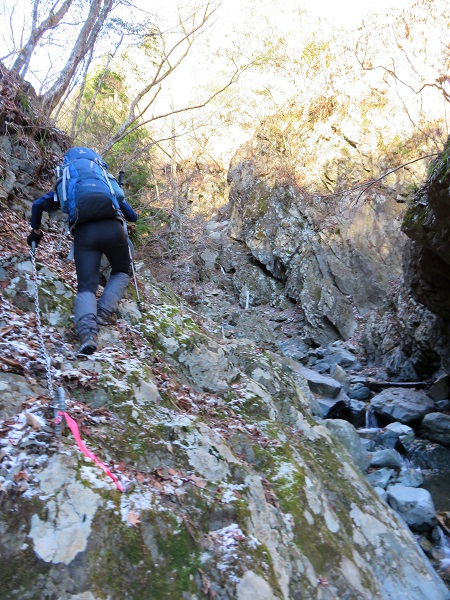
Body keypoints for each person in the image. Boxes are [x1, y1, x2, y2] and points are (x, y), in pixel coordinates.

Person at [27, 152, 138, 355]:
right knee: (122, 270)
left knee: (86, 286)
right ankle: (103, 313)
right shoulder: (105, 181)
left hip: (85, 234)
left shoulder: (69, 181)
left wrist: (36, 231)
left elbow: (37, 205)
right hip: (113, 230)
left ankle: (88, 335)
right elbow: (133, 216)